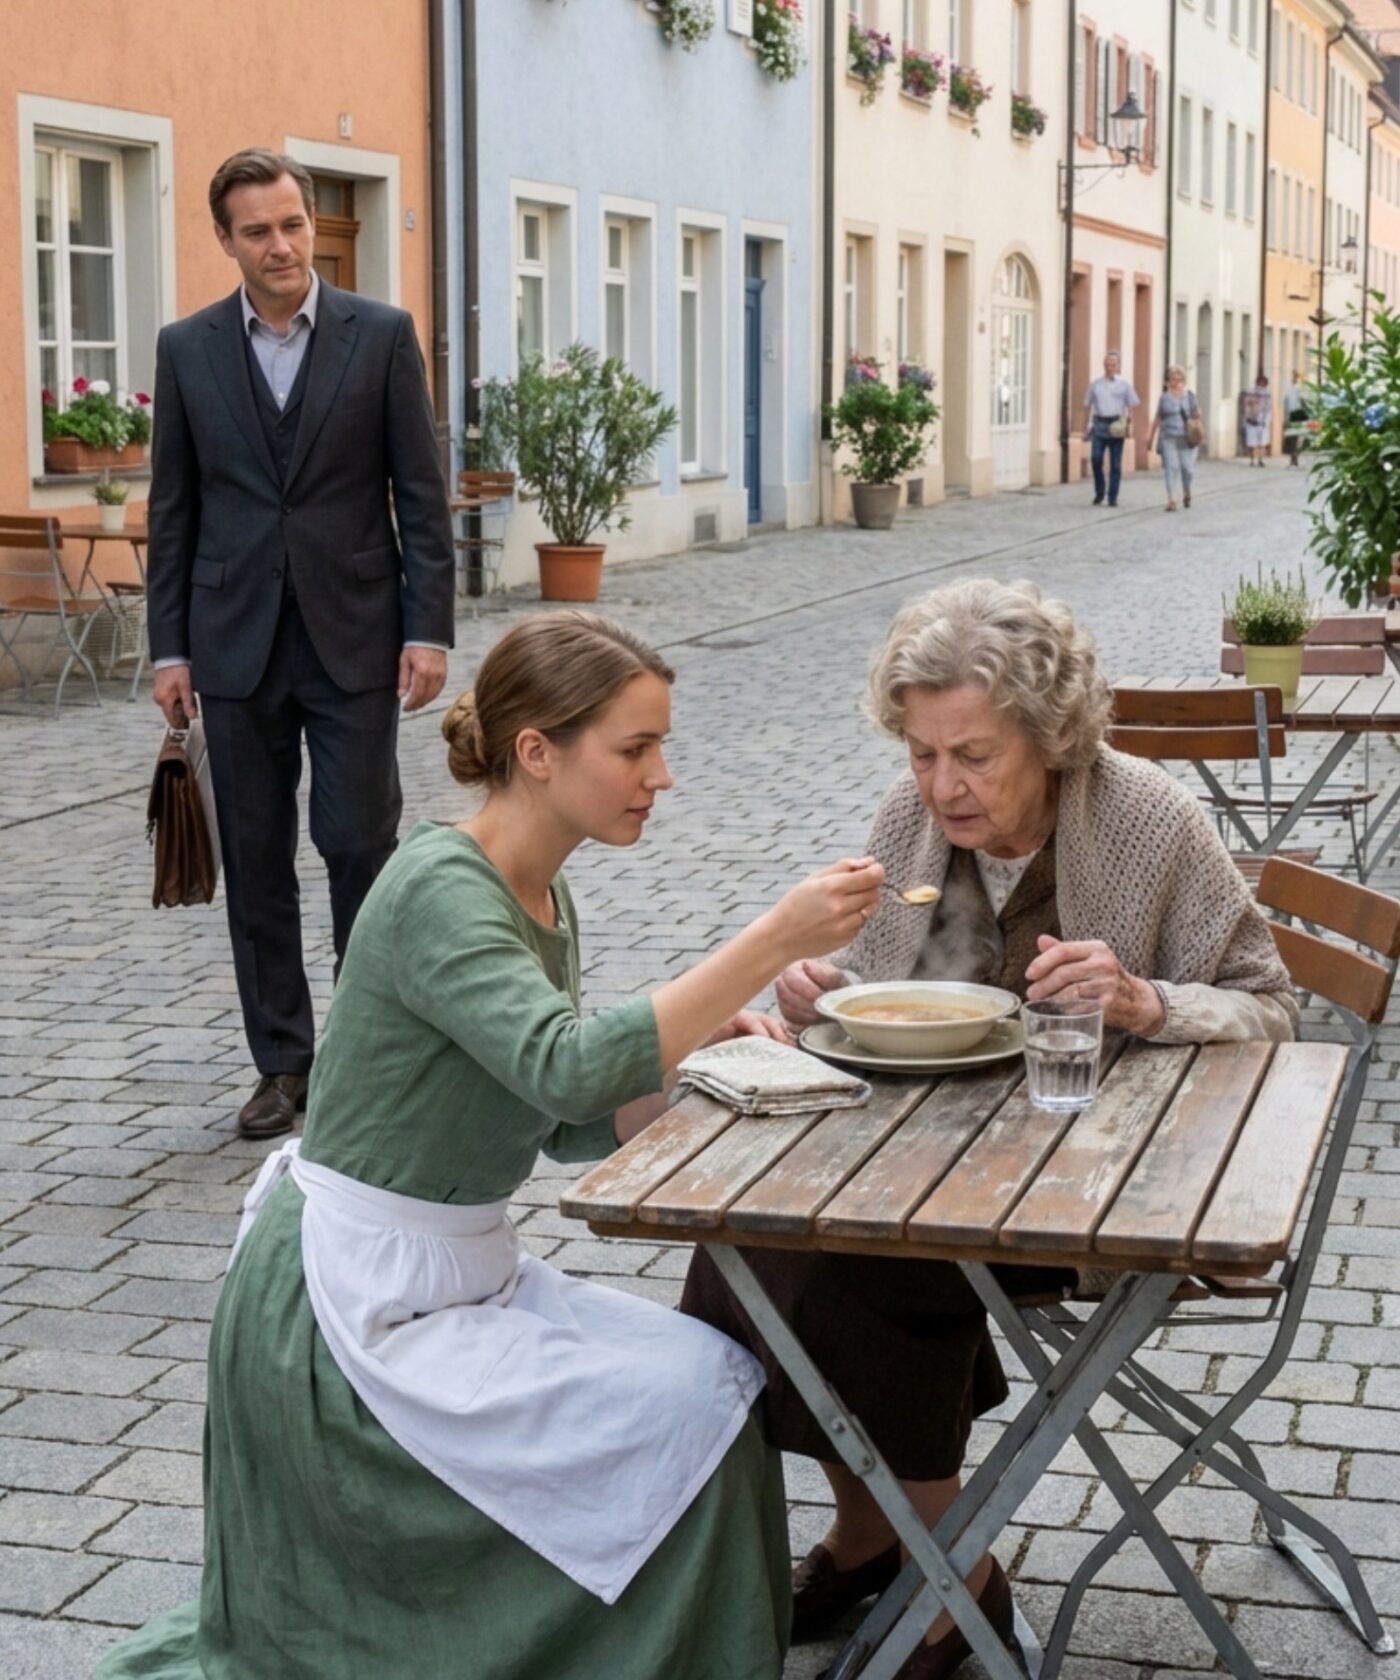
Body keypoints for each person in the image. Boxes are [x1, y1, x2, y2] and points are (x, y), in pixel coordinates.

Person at [96, 611, 884, 1680]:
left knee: (707, 1380)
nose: (659, 776)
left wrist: (696, 1061)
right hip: (347, 1306)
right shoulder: (437, 889)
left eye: (661, 747)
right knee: (677, 1410)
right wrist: (767, 944)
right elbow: (564, 1067)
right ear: (536, 752)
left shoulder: (542, 892)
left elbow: (559, 1122)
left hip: (455, 1275)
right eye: (634, 748)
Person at [682, 579, 1298, 1680]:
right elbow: (877, 1006)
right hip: (934, 1166)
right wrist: (814, 1000)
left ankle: (931, 1574)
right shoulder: (907, 827)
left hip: (1098, 1189)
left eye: (971, 755)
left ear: (1049, 736)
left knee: (857, 1259)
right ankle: (907, 1550)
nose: (940, 787)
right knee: (751, 1235)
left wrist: (1144, 1002)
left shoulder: (1149, 822)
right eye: (921, 753)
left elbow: (1269, 1005)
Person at [146, 148, 455, 1141]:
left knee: (360, 843)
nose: (279, 246)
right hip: (230, 643)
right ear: (226, 239)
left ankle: (369, 1051)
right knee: (256, 856)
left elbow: (419, 493)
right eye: (256, 231)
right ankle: (284, 1065)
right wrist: (168, 652)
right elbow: (174, 511)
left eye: (291, 225)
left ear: (310, 222)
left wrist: (428, 628)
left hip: (355, 636)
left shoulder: (380, 336)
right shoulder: (187, 349)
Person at [1082, 350, 1140, 507]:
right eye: (1108, 364)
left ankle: (1112, 496)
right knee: (1095, 459)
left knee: (1115, 464)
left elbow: (1131, 405)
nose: (1110, 367)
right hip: (1099, 423)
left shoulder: (1124, 384)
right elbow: (1088, 406)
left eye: (1113, 365)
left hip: (1116, 425)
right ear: (1104, 365)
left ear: (1118, 366)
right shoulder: (1096, 384)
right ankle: (1100, 492)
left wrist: (1129, 424)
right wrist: (1085, 428)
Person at [1146, 365, 1203, 512]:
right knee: (1171, 468)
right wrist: (1150, 437)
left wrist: (1201, 433)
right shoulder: (1164, 398)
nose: (1176, 381)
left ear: (1183, 380)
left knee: (1187, 469)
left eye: (1179, 378)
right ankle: (1171, 499)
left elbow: (1197, 416)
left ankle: (1187, 491)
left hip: (1186, 438)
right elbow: (1158, 418)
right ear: (1168, 380)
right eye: (1173, 378)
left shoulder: (1189, 396)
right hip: (1168, 437)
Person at [1243, 374, 1273, 465]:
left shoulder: (1267, 394)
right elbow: (1246, 405)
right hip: (1251, 420)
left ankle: (1260, 459)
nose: (1261, 384)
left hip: (1262, 421)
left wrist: (1267, 420)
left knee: (1262, 442)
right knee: (1251, 441)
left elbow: (1268, 408)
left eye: (1263, 383)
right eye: (1260, 382)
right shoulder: (1251, 392)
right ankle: (1252, 459)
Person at [1283, 370, 1310, 467]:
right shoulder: (1289, 389)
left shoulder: (1302, 389)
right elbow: (1286, 403)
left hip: (1299, 414)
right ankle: (1292, 458)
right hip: (1292, 414)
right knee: (1292, 438)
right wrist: (1285, 417)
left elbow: (1305, 403)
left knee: (1297, 438)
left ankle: (1295, 458)